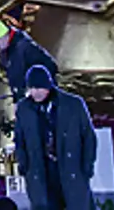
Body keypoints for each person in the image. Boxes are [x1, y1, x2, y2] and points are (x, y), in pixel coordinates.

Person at [13, 66, 94, 210]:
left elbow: (88, 136)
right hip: (40, 170)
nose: (35, 92)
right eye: (31, 88)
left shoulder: (73, 105)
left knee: (75, 203)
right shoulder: (24, 108)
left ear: (48, 86)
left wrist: (86, 166)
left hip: (70, 168)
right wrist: (24, 165)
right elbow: (20, 139)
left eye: (39, 88)